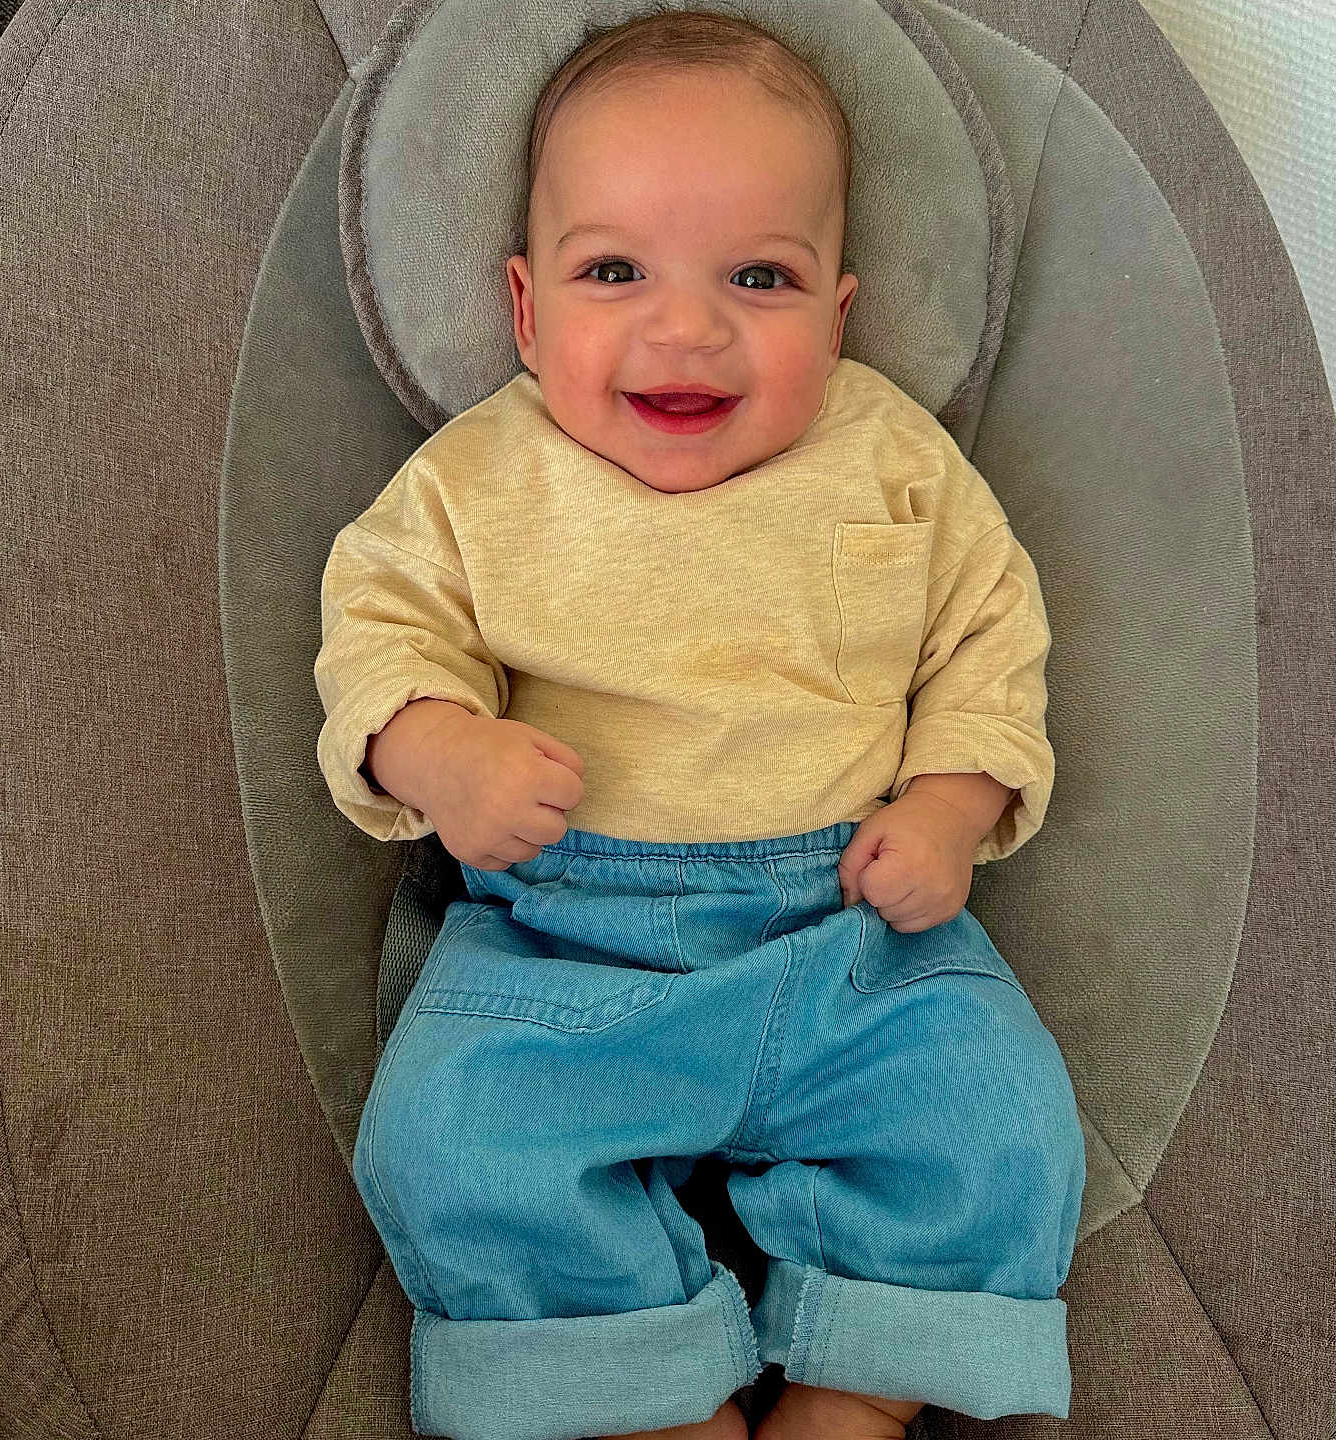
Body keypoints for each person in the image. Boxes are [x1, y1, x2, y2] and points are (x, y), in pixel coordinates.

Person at [314, 11, 1085, 1440]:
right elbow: (378, 629)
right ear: (528, 310)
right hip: (563, 945)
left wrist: (951, 811)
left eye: (760, 276)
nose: (688, 326)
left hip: (851, 935)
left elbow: (992, 638)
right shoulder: (481, 476)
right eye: (615, 271)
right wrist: (438, 751)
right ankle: (646, 1397)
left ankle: (857, 1391)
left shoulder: (890, 455)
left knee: (1003, 1126)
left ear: (839, 314)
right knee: (452, 1142)